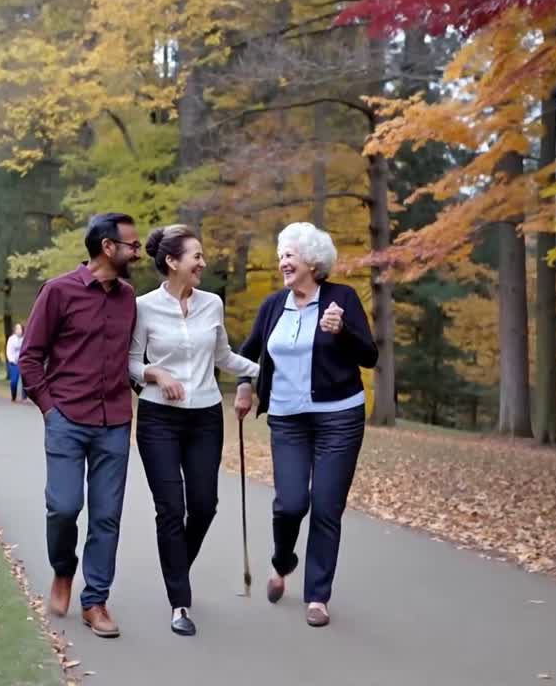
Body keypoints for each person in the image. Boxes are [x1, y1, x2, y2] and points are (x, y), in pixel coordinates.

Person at [234, 222, 378, 628]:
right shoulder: (273, 305)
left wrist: (343, 331)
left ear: (312, 262)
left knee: (327, 506)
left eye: (289, 255)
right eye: (281, 255)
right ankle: (282, 560)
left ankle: (318, 595)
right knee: (291, 502)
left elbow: (369, 356)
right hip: (287, 418)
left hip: (340, 417)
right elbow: (247, 354)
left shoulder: (341, 299)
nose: (282, 262)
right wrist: (245, 387)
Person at [128, 225, 259, 637]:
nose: (203, 263)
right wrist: (155, 372)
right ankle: (179, 602)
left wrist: (265, 372)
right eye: (196, 257)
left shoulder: (212, 304)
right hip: (158, 419)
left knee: (203, 505)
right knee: (170, 508)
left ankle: (176, 566)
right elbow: (130, 362)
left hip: (204, 416)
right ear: (173, 262)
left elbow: (224, 357)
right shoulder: (143, 307)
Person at [18, 212, 141, 639]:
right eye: (132, 245)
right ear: (108, 247)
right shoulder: (58, 291)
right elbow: (30, 357)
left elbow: (131, 358)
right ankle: (63, 570)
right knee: (65, 507)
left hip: (115, 422)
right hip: (67, 418)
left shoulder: (128, 297)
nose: (137, 251)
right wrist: (50, 409)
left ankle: (96, 601)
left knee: (107, 516)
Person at [5, 323, 24, 403]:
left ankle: (24, 396)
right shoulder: (11, 339)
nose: (19, 331)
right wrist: (11, 360)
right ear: (15, 330)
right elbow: (9, 351)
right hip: (14, 363)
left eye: (21, 329)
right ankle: (14, 395)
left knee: (25, 380)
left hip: (23, 362)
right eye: (18, 329)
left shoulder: (25, 338)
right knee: (14, 381)